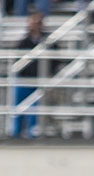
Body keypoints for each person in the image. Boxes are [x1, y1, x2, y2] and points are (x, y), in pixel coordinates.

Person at [11, 10, 45, 138]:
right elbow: (17, 63)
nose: (35, 24)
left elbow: (54, 61)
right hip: (24, 81)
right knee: (18, 109)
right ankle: (16, 134)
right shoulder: (23, 42)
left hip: (38, 82)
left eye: (38, 22)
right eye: (33, 21)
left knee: (35, 111)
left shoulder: (48, 42)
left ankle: (33, 133)